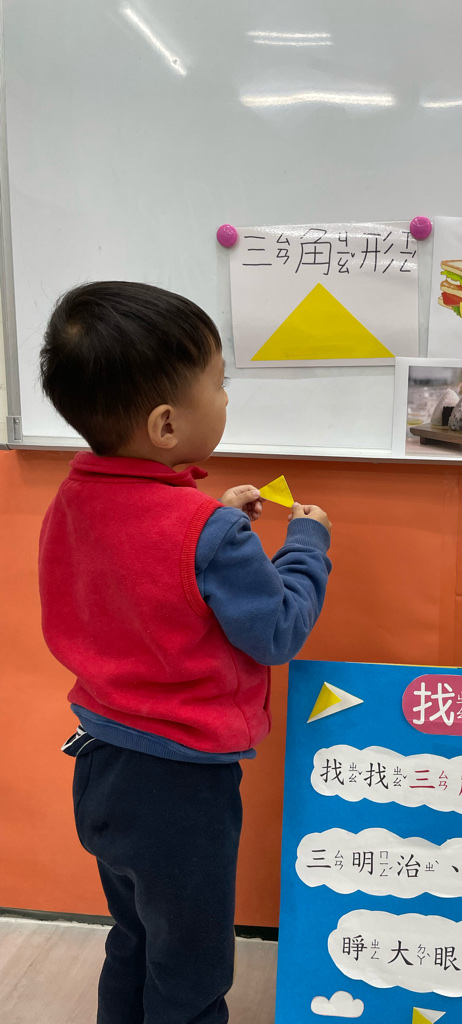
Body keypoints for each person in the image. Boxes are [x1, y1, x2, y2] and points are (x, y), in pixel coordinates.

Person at [37, 281, 332, 1024]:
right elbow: (277, 630)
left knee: (135, 938)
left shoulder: (73, 496)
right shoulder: (208, 534)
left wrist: (216, 521)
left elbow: (144, 575)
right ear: (167, 424)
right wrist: (307, 545)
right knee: (193, 967)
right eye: (220, 383)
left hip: (101, 764)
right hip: (180, 789)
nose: (226, 398)